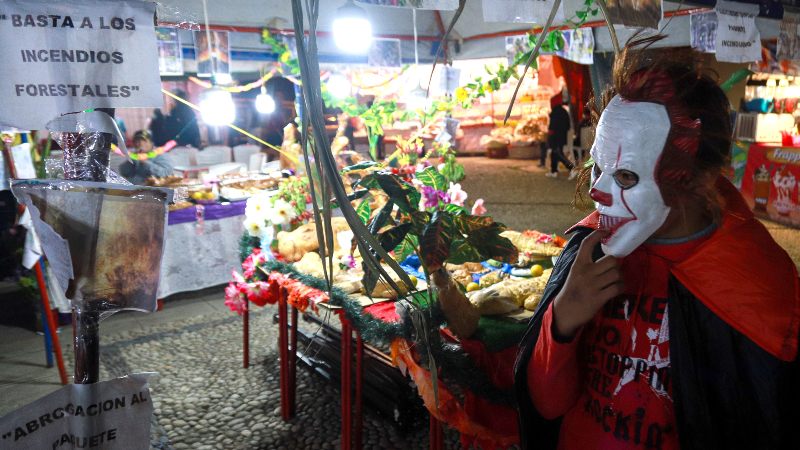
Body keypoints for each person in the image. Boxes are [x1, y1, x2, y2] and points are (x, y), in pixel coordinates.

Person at [514, 36, 800, 450]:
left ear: (700, 179)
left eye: (627, 176)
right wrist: (562, 318)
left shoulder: (753, 284)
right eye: (598, 166)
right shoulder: (589, 250)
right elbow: (545, 403)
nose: (597, 192)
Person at [543, 93, 574, 178]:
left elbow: (552, 127)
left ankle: (572, 168)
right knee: (554, 153)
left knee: (558, 153)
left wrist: (549, 137)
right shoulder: (563, 111)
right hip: (562, 136)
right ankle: (554, 171)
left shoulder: (556, 112)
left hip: (556, 137)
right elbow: (567, 126)